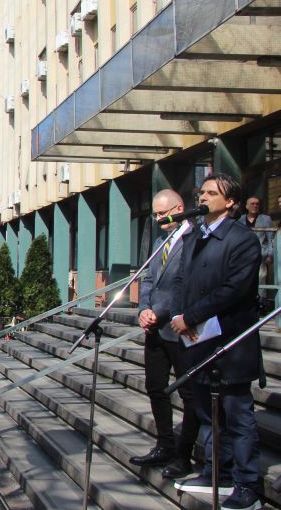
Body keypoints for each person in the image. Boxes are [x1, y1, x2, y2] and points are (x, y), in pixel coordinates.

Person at [171, 174, 263, 509]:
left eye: (212, 193)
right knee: (208, 413)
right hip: (198, 340)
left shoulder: (242, 239)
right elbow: (183, 278)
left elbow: (233, 290)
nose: (204, 197)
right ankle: (217, 472)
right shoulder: (195, 236)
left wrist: (191, 316)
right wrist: (179, 316)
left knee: (236, 415)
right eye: (202, 191)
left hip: (231, 341)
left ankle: (247, 483)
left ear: (231, 202)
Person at [130, 189, 199, 479]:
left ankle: (183, 455)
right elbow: (148, 278)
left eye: (163, 213)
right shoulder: (161, 241)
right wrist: (144, 309)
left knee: (189, 393)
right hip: (155, 329)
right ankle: (164, 444)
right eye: (155, 214)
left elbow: (184, 285)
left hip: (179, 328)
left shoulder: (194, 241)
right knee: (155, 387)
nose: (158, 219)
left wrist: (160, 311)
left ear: (180, 208)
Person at [243, 196, 273, 287]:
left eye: (257, 204)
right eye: (252, 204)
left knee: (260, 279)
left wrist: (270, 255)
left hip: (260, 255)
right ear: (247, 206)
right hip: (243, 255)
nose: (255, 206)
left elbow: (271, 238)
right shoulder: (240, 220)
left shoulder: (265, 219)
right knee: (244, 280)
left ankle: (261, 300)